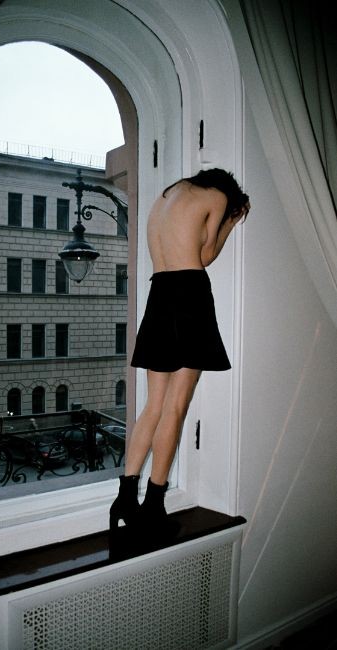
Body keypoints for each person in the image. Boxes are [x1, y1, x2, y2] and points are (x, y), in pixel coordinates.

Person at [109, 168, 250, 540]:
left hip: (159, 296)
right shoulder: (216, 197)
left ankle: (125, 498)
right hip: (189, 296)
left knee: (153, 406)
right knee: (175, 406)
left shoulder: (164, 198)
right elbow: (205, 255)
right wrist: (230, 223)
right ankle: (153, 506)